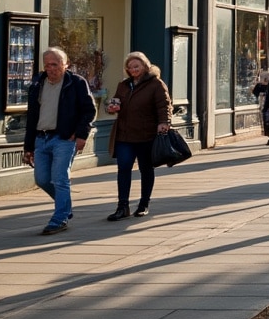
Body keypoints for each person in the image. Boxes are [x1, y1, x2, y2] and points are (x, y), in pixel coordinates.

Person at [23, 47, 96, 235]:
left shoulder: (76, 83)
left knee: (59, 179)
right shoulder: (37, 83)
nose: (51, 69)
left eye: (55, 65)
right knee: (42, 179)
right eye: (47, 65)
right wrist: (28, 147)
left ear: (66, 65)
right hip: (41, 138)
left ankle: (59, 219)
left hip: (64, 138)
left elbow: (89, 110)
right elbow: (31, 116)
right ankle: (65, 206)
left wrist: (81, 134)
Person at [104, 52, 171, 221]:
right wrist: (111, 108)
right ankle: (122, 207)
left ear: (145, 66)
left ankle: (143, 204)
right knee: (123, 169)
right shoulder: (124, 85)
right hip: (124, 135)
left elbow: (164, 105)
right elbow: (115, 102)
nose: (133, 69)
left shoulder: (156, 84)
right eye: (130, 67)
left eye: (136, 66)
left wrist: (164, 122)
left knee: (146, 169)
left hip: (146, 135)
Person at [252, 72, 269, 145]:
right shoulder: (260, 86)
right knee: (266, 121)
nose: (266, 80)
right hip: (264, 107)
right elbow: (253, 92)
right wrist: (256, 82)